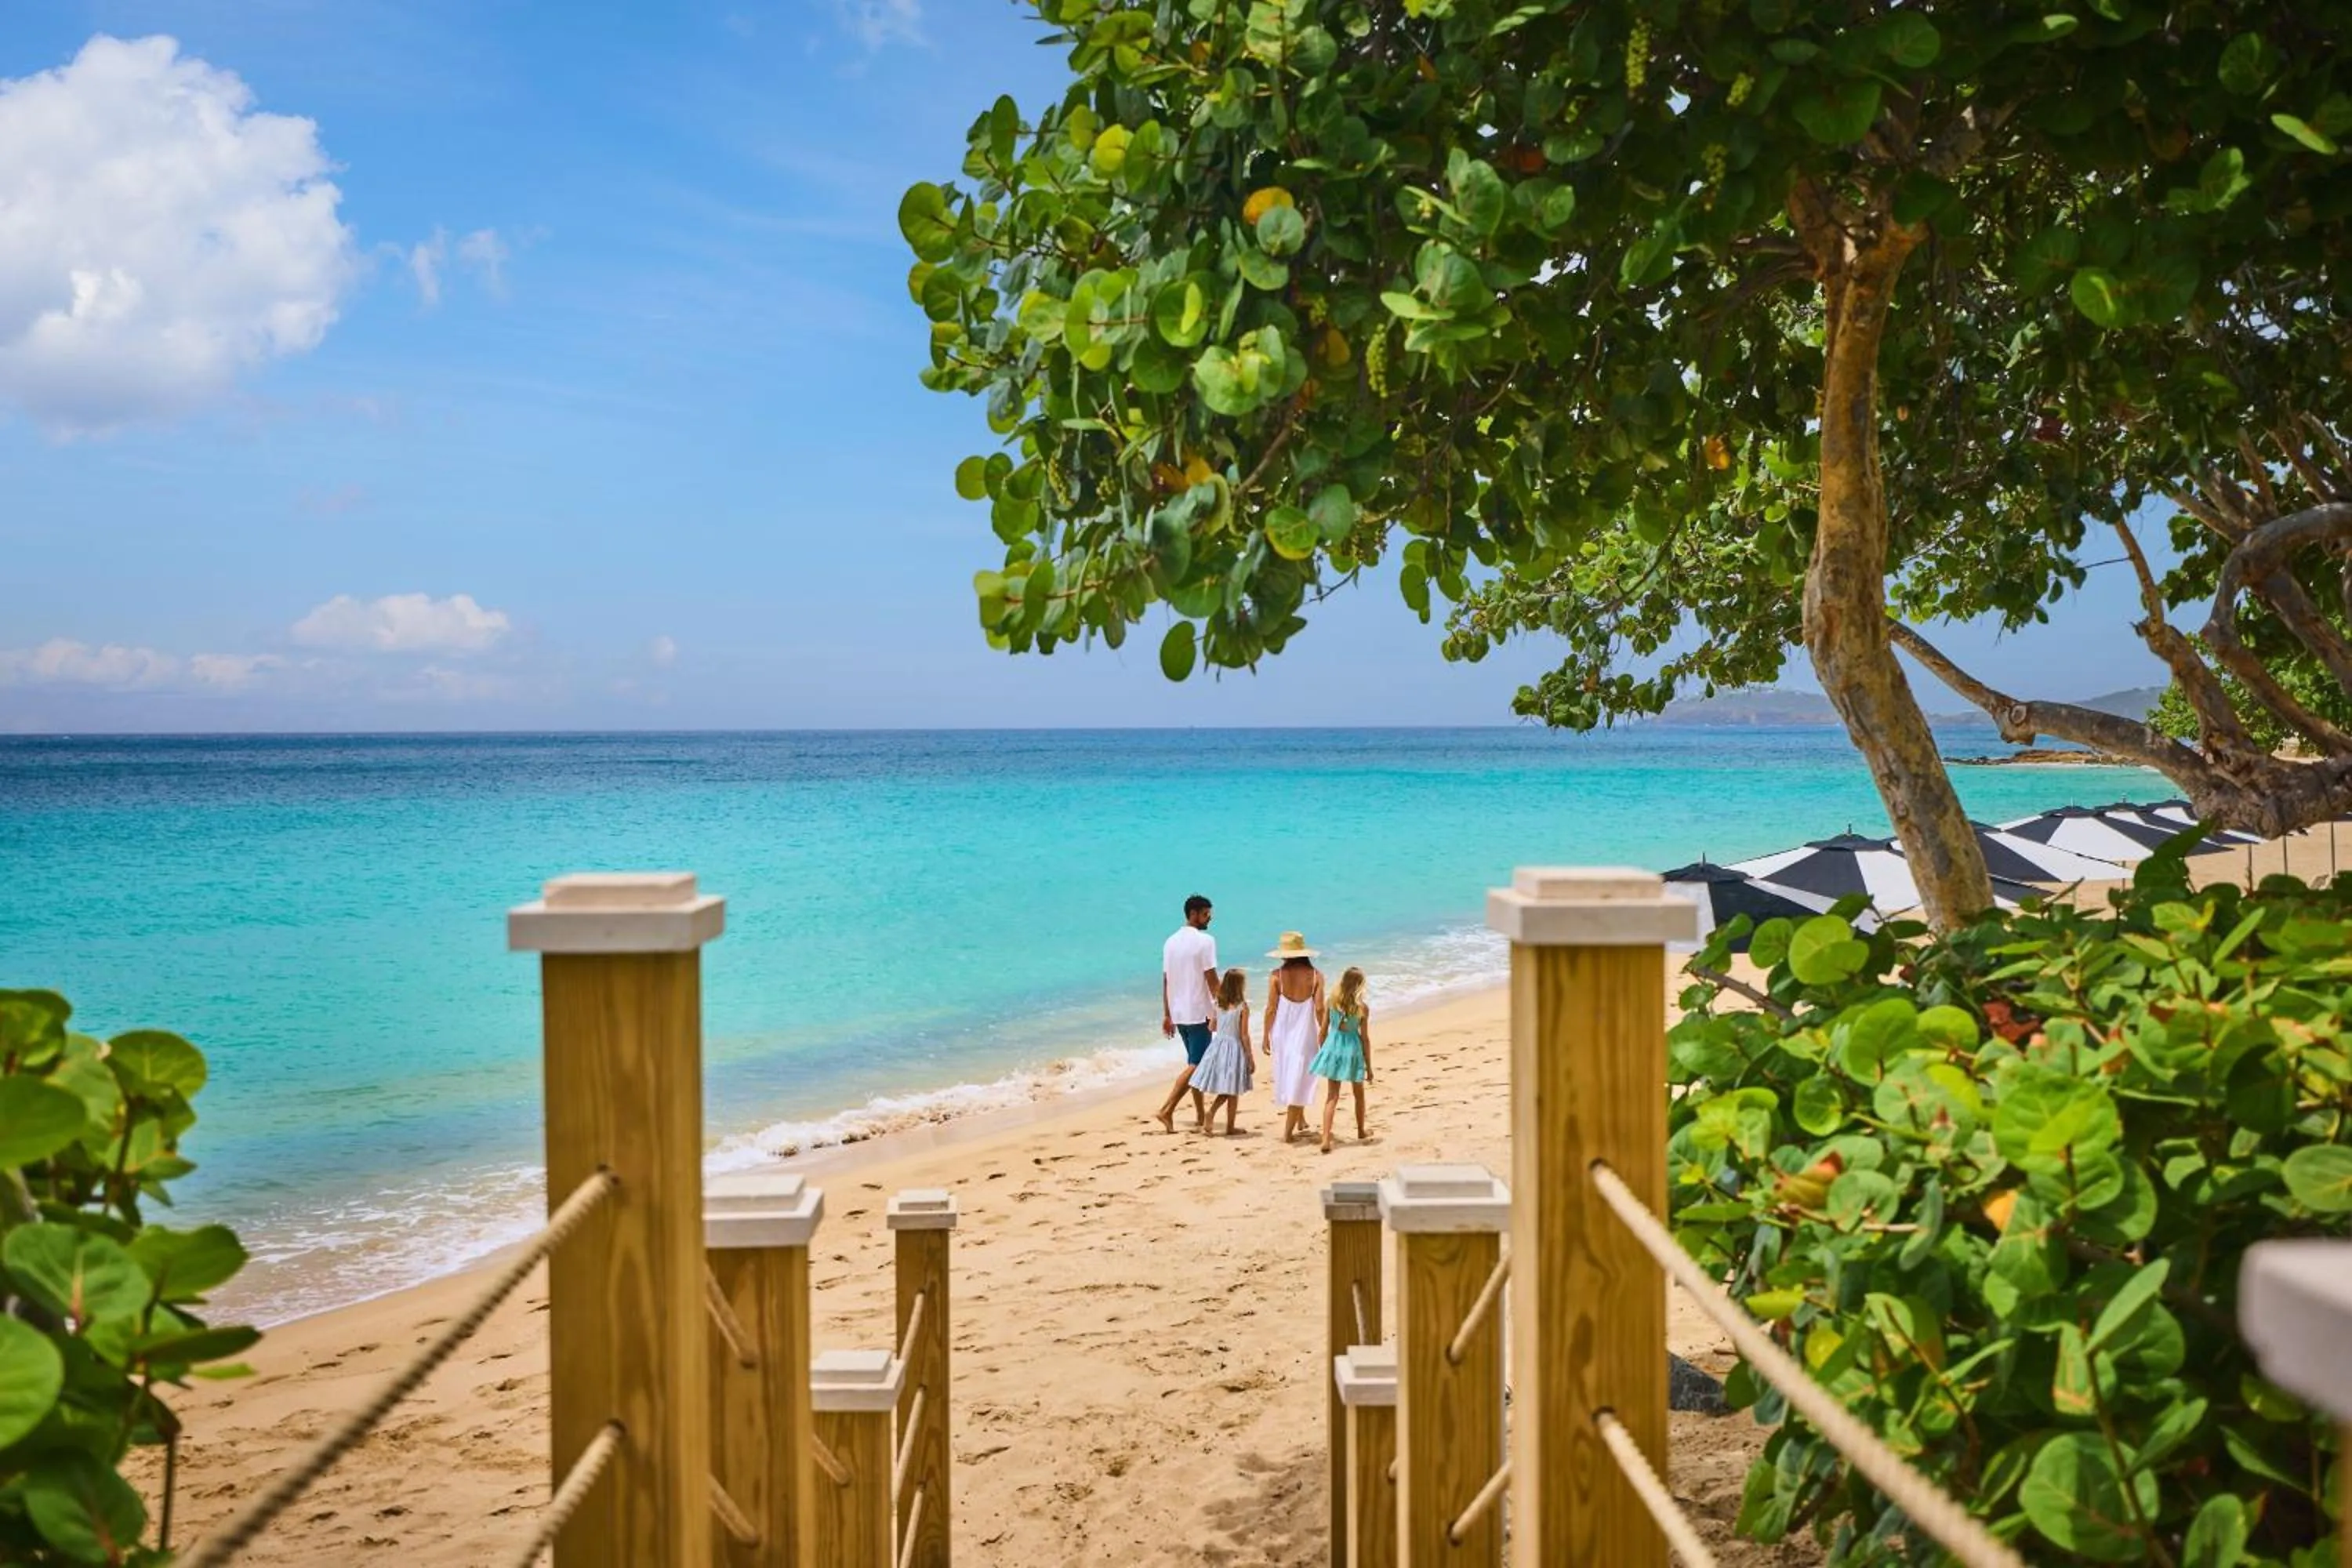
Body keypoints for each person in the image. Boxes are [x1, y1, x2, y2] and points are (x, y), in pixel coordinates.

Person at [1156, 894, 1218, 1132]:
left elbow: (1165, 981)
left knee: (1193, 1062)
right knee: (1197, 1065)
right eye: (1206, 914)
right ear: (1193, 914)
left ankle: (1201, 1115)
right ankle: (1167, 1109)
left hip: (1179, 1012)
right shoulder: (1206, 941)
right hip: (1199, 1012)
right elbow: (1211, 978)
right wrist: (1226, 1007)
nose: (1209, 919)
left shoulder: (1170, 942)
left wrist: (1167, 1014)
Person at [1262, 931, 1326, 1143]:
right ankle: (1288, 1132)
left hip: (1282, 1031)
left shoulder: (1276, 976)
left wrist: (1265, 1034)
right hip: (1306, 1031)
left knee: (1291, 1073)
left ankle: (1300, 1121)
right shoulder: (1316, 975)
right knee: (1300, 1075)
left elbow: (1271, 1009)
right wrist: (1324, 1032)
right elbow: (1319, 1008)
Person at [1310, 966, 1374, 1154]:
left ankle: (1325, 1138)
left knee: (1332, 1096)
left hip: (1333, 1048)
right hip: (1353, 1050)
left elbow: (1322, 1032)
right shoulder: (1362, 1008)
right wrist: (1369, 1066)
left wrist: (1325, 1053)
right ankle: (1361, 1131)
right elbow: (1365, 1039)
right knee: (1359, 1094)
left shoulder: (1332, 1002)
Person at [1188, 968, 1255, 1135]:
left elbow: (1212, 1027)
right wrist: (1250, 1057)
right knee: (1232, 1089)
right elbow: (1244, 1035)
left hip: (1218, 1046)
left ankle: (1226, 1124)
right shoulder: (1242, 1007)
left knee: (1230, 1089)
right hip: (1234, 1048)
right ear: (1240, 986)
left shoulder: (1219, 1003)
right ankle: (1218, 1118)